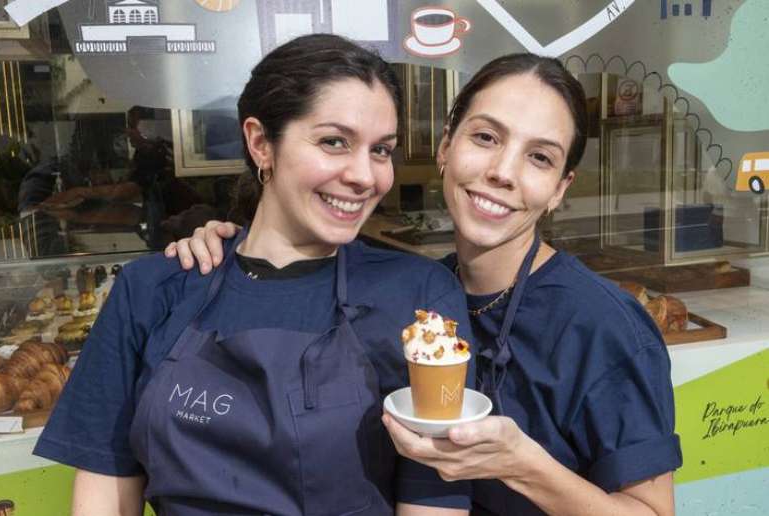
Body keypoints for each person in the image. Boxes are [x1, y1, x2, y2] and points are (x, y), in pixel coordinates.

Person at [170, 53, 682, 515]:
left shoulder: (604, 327)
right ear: (445, 147)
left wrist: (522, 464)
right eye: (486, 137)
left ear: (559, 190)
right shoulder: (414, 297)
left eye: (540, 157)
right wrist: (235, 254)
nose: (503, 171)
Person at [34, 34, 473, 516]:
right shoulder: (155, 287)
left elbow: (433, 498)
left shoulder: (417, 296)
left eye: (381, 150)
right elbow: (106, 490)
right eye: (334, 142)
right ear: (261, 142)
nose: (365, 177)